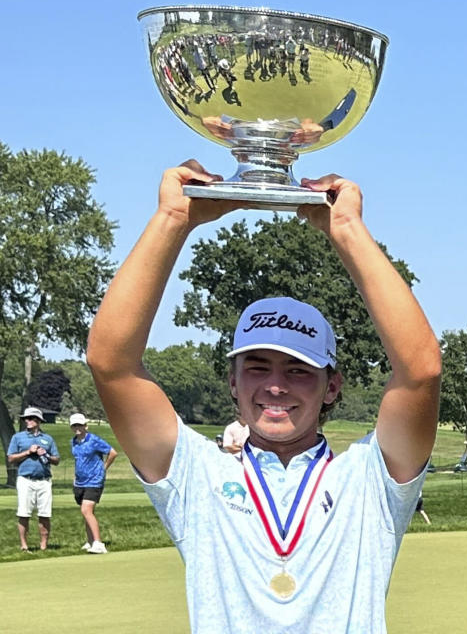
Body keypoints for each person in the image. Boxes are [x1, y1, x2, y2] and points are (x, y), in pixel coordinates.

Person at [86, 162, 442, 633]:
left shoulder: (370, 480)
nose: (275, 386)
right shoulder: (197, 477)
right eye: (257, 367)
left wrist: (349, 230)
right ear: (233, 382)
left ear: (331, 386)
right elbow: (110, 363)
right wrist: (172, 218)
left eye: (298, 370)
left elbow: (421, 370)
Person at [6, 407, 60, 551]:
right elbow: (11, 458)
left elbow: (56, 459)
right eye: (25, 419)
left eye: (30, 418)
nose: (27, 421)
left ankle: (43, 546)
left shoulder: (48, 439)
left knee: (45, 514)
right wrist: (28, 452)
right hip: (25, 479)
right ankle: (24, 545)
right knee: (24, 513)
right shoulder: (18, 437)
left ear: (38, 421)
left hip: (44, 480)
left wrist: (46, 455)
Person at [69, 413, 118, 554]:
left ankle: (98, 543)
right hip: (80, 482)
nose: (77, 428)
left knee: (86, 510)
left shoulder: (94, 440)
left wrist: (104, 467)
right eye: (74, 425)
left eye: (79, 425)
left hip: (94, 481)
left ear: (86, 426)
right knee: (87, 512)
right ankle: (90, 541)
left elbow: (113, 452)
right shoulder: (74, 441)